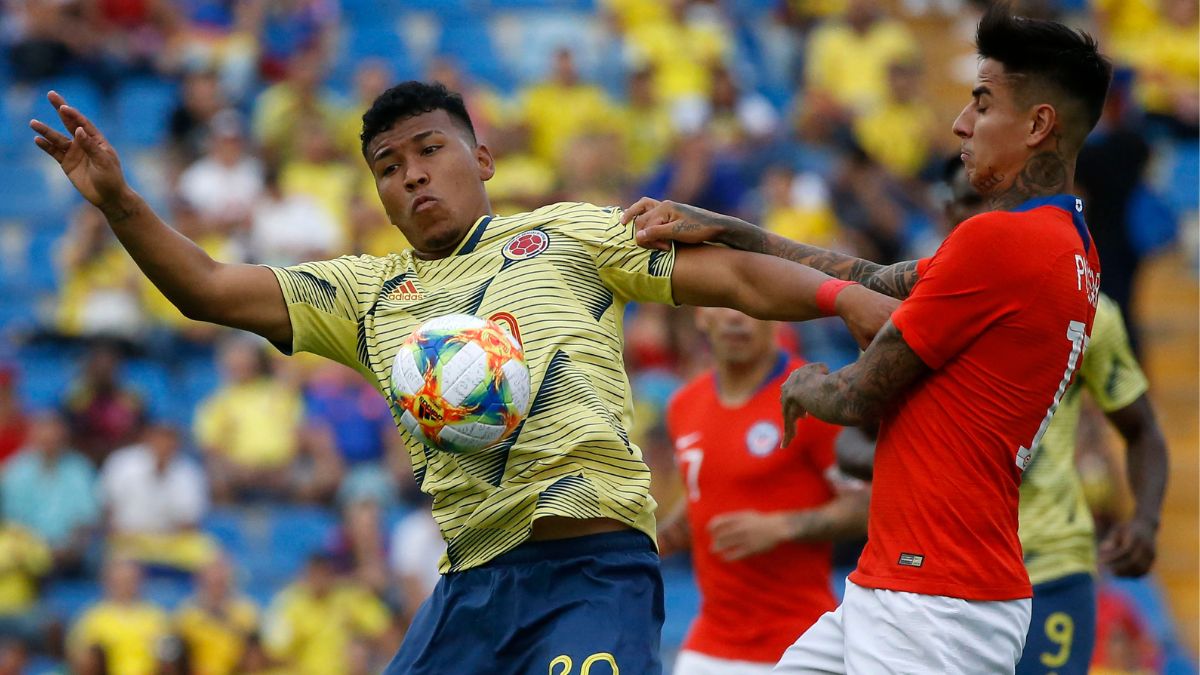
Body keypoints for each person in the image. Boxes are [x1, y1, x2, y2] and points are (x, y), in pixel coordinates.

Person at [30, 80, 895, 674]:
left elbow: (735, 277)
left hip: (593, 571)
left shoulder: (568, 237)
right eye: (388, 166)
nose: (410, 174)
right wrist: (120, 203)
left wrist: (841, 295)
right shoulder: (363, 295)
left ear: (481, 158)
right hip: (472, 587)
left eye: (428, 149)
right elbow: (209, 289)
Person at [627, 6, 1112, 672]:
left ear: (1037, 125)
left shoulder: (1000, 241)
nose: (960, 123)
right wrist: (734, 230)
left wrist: (802, 385)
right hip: (905, 581)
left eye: (982, 103)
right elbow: (873, 277)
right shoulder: (1066, 248)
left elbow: (856, 395)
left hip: (936, 596)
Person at [836, 162, 1169, 675]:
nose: (987, 214)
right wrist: (929, 469)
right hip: (939, 568)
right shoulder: (913, 309)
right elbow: (849, 440)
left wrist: (1144, 522)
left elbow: (1141, 428)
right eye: (971, 201)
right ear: (949, 209)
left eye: (999, 202)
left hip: (1051, 565)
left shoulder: (1089, 312)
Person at [659, 307, 869, 674]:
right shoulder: (683, 404)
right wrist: (664, 534)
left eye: (748, 306)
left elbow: (868, 505)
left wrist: (780, 527)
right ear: (699, 315)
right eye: (720, 304)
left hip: (799, 644)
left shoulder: (814, 400)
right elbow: (708, 489)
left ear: (776, 312)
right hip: (709, 643)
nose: (735, 318)